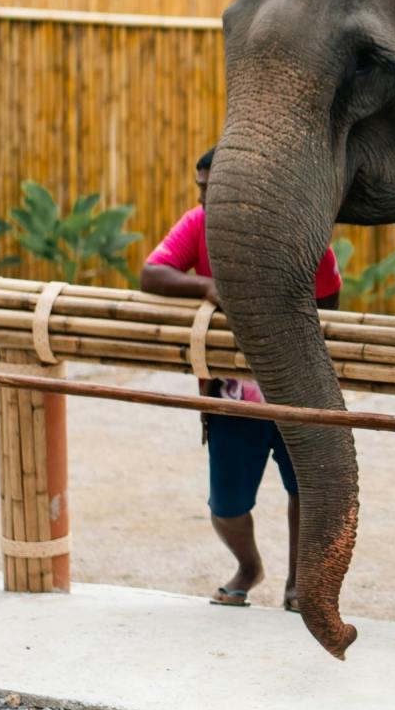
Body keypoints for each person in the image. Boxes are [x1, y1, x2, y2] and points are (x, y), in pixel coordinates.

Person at [141, 147, 341, 609]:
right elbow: (152, 273)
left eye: (213, 190)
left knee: (305, 491)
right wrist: (208, 287)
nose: (206, 199)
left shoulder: (295, 224)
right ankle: (249, 567)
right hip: (232, 395)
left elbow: (329, 295)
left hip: (297, 392)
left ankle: (299, 583)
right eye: (202, 190)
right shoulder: (198, 224)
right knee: (226, 506)